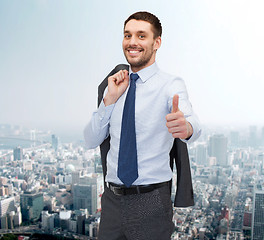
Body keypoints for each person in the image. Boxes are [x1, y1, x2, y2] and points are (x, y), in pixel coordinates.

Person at [84, 11, 201, 240]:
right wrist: (109, 101)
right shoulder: (115, 85)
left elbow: (194, 123)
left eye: (141, 35)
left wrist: (186, 127)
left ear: (157, 42)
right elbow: (89, 139)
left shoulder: (170, 85)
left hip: (150, 200)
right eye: (127, 35)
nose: (132, 42)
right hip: (111, 200)